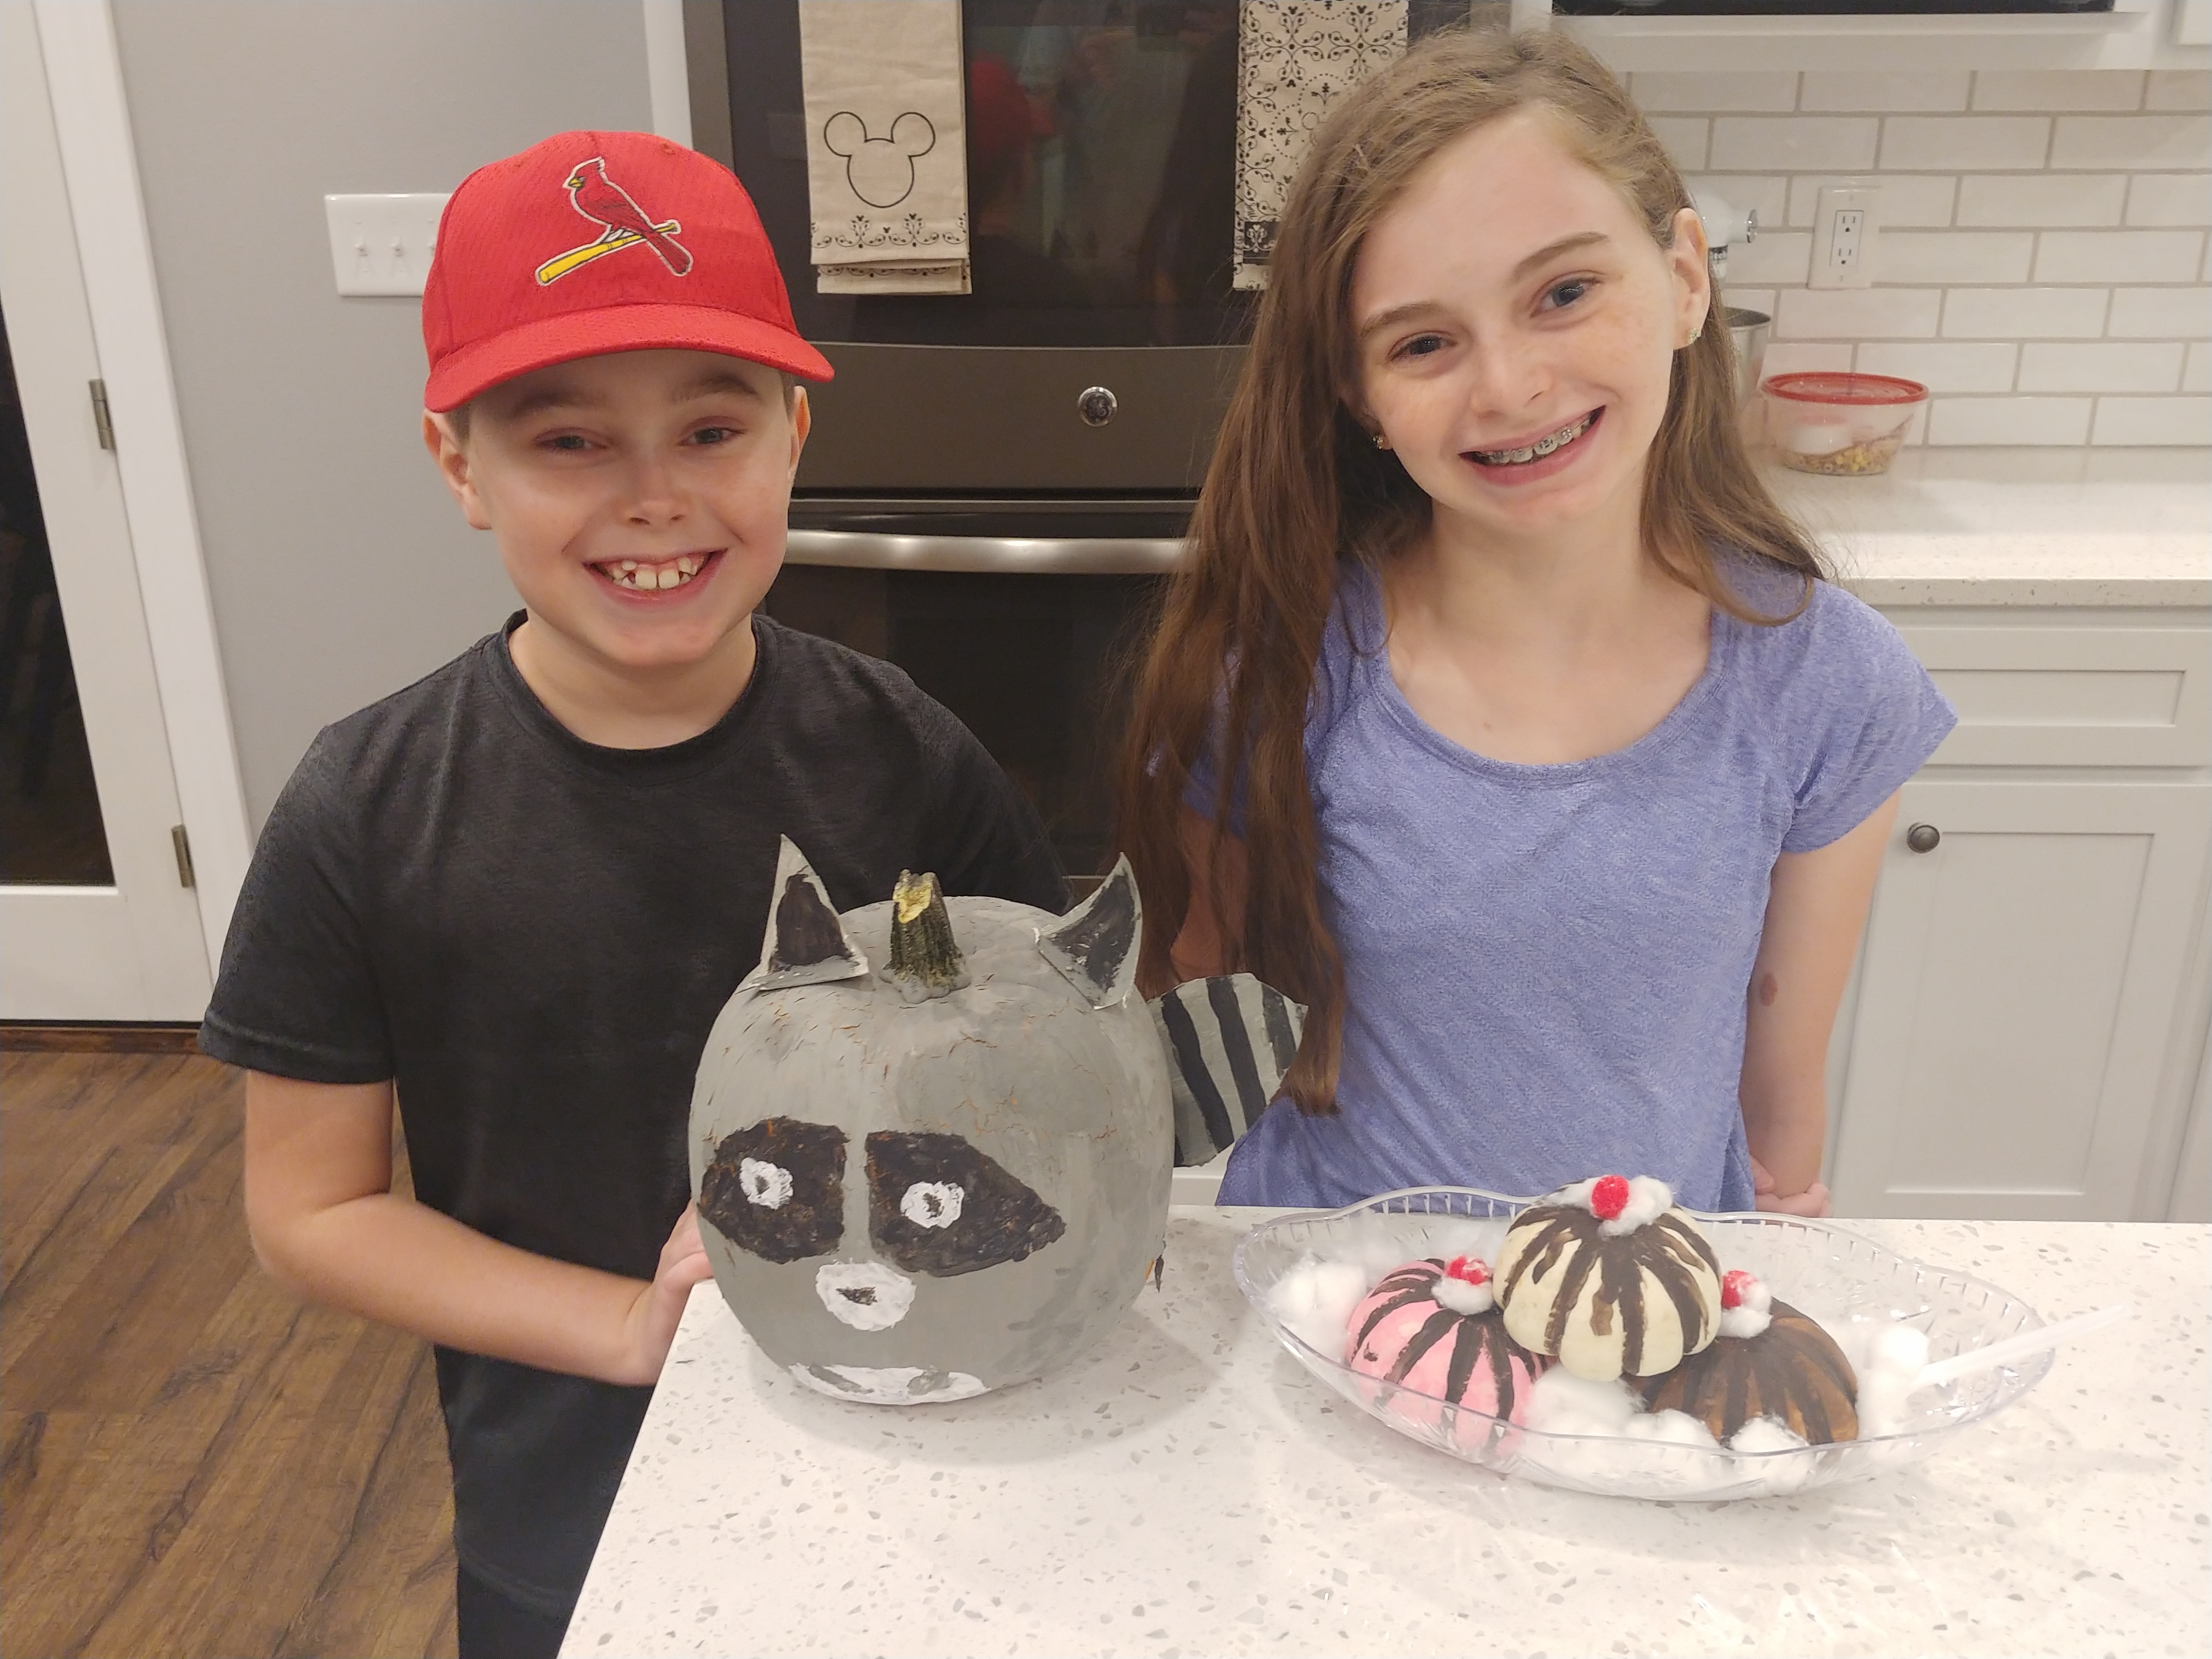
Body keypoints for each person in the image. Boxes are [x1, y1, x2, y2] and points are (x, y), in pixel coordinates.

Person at [201, 132, 1064, 1659]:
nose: (655, 498)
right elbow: (310, 1209)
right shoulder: (365, 807)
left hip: (906, 1447)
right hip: (569, 1502)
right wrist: (626, 1326)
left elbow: (1045, 1052)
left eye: (712, 428)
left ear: (794, 435)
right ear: (460, 466)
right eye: (571, 441)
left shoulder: (905, 754)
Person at [1115, 31, 1954, 1219]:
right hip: (1329, 1297)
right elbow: (1200, 1044)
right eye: (1423, 342)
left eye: (1564, 293)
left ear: (1686, 279)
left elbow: (1779, 1121)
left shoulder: (1827, 684)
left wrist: (1775, 1255)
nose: (1508, 386)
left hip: (1638, 1310)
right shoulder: (1277, 679)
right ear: (1359, 395)